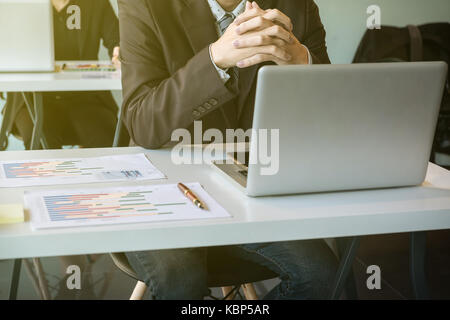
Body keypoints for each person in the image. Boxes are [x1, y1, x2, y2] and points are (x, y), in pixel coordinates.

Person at [118, 0, 337, 299]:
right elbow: (143, 122)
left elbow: (328, 119)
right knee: (180, 278)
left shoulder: (297, 6)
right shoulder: (144, 5)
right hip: (164, 189)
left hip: (248, 191)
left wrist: (301, 61)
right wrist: (215, 59)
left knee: (320, 273)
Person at [2, 0, 124, 150]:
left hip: (87, 97)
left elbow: (117, 40)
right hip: (31, 100)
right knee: (41, 146)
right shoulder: (20, 5)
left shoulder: (96, 3)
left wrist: (119, 51)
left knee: (107, 141)